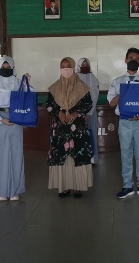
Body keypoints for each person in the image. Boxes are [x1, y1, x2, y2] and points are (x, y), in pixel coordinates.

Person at [107, 47, 139, 199]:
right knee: (126, 154)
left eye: (136, 59)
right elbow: (111, 103)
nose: (133, 61)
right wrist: (125, 92)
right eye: (131, 58)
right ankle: (127, 186)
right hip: (125, 123)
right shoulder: (117, 82)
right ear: (125, 60)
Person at [0, 56, 32, 201]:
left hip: (15, 118)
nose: (6, 69)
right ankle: (1, 190)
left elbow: (29, 96)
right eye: (3, 67)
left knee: (15, 154)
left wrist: (28, 82)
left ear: (12, 66)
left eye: (8, 66)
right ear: (0, 67)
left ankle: (14, 190)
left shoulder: (19, 82)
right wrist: (0, 119)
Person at [46, 57, 94, 198]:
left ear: (73, 68)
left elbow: (88, 104)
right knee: (62, 155)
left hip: (77, 128)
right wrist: (58, 112)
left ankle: (78, 186)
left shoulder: (82, 87)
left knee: (77, 156)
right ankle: (64, 186)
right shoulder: (54, 87)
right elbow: (48, 105)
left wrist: (76, 113)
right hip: (60, 128)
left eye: (68, 66)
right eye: (63, 66)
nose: (65, 69)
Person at [77, 57, 100, 164]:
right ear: (79, 66)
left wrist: (89, 113)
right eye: (83, 65)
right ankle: (81, 158)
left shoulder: (93, 79)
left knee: (92, 134)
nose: (85, 67)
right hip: (77, 113)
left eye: (87, 65)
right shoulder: (75, 78)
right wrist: (80, 112)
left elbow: (94, 97)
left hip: (91, 112)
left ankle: (93, 159)